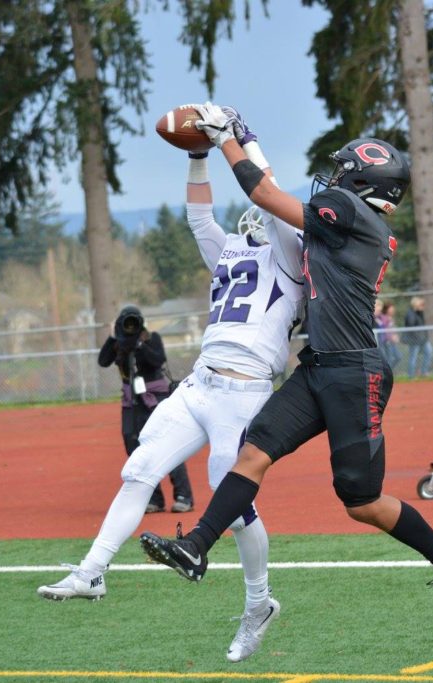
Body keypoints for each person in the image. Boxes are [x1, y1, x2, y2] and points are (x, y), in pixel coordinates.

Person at [140, 104, 433, 632]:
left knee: (361, 501)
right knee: (253, 453)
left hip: (355, 372)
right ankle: (196, 548)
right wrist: (244, 137)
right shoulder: (350, 218)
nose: (334, 180)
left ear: (364, 181)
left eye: (345, 173)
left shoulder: (354, 215)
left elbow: (265, 195)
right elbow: (274, 201)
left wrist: (226, 138)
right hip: (318, 365)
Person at [38, 115, 305, 664]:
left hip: (245, 393)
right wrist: (197, 153)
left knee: (233, 509)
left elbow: (268, 189)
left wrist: (243, 135)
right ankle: (91, 572)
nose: (258, 213)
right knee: (138, 469)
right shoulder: (232, 249)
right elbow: (197, 215)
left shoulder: (293, 254)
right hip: (198, 384)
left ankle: (260, 603)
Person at [98, 305, 193, 513]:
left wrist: (139, 344)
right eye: (126, 323)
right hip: (131, 401)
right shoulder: (118, 343)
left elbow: (157, 360)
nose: (130, 327)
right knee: (133, 446)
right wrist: (115, 338)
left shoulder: (151, 338)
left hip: (155, 399)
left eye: (134, 322)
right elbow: (103, 361)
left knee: (167, 445)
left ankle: (183, 496)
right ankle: (154, 499)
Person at [403, 296, 432, 378]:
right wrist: (417, 337)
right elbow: (411, 327)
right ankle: (411, 375)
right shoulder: (410, 313)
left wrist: (425, 337)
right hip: (414, 340)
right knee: (413, 357)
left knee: (429, 352)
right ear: (415, 305)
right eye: (420, 304)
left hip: (423, 339)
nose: (422, 306)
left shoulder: (420, 313)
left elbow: (422, 326)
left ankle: (424, 372)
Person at [374, 300, 401, 369]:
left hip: (385, 341)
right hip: (377, 343)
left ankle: (387, 372)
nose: (379, 310)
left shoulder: (383, 317)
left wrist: (393, 336)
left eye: (380, 307)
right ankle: (384, 372)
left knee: (391, 358)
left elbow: (387, 328)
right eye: (378, 307)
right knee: (384, 359)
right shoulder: (371, 318)